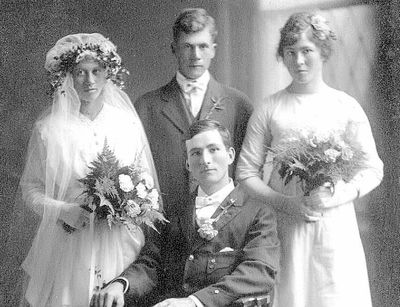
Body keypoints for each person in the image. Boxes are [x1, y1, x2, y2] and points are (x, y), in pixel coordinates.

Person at [236, 12, 383, 307]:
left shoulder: (345, 106)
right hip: (287, 225)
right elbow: (245, 172)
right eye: (291, 52)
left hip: (335, 225)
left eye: (307, 51)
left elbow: (372, 168)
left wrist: (339, 194)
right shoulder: (270, 108)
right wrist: (286, 203)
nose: (299, 61)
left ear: (323, 51)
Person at [3, 33, 159, 307]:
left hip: (119, 242)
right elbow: (31, 189)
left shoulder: (126, 123)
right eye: (80, 73)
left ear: (107, 74)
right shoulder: (49, 130)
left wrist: (131, 205)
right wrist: (64, 210)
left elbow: (146, 182)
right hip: (69, 243)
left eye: (96, 71)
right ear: (68, 77)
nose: (89, 80)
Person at [92, 119, 280, 307]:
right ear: (188, 164)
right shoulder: (173, 212)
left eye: (213, 149)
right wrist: (122, 284)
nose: (205, 160)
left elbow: (258, 271)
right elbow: (151, 264)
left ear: (230, 155)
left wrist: (195, 301)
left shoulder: (258, 213)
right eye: (196, 153)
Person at [135, 8, 253, 221]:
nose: (196, 55)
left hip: (225, 224)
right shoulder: (147, 107)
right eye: (187, 47)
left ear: (213, 50)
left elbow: (248, 173)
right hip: (166, 224)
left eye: (202, 46)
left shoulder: (238, 104)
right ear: (174, 49)